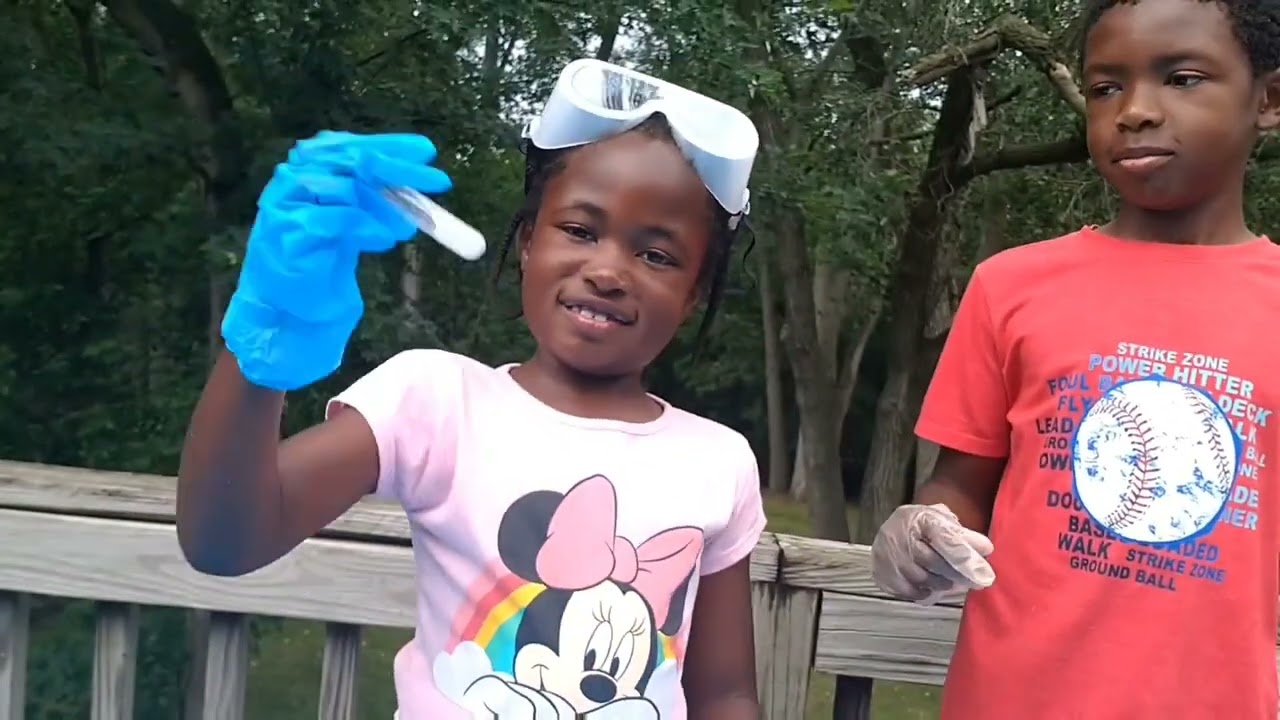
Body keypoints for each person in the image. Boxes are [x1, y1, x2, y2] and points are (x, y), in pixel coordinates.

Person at [176, 59, 766, 719]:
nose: (607, 270)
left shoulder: (720, 461)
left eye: (656, 255)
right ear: (529, 243)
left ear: (692, 295)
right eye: (580, 230)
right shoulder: (436, 401)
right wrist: (263, 346)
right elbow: (224, 542)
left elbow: (724, 693)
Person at [869, 0, 1280, 717]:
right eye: (1105, 87)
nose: (1135, 111)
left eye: (1182, 78)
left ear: (1269, 100)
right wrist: (925, 526)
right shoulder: (1012, 286)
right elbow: (961, 488)